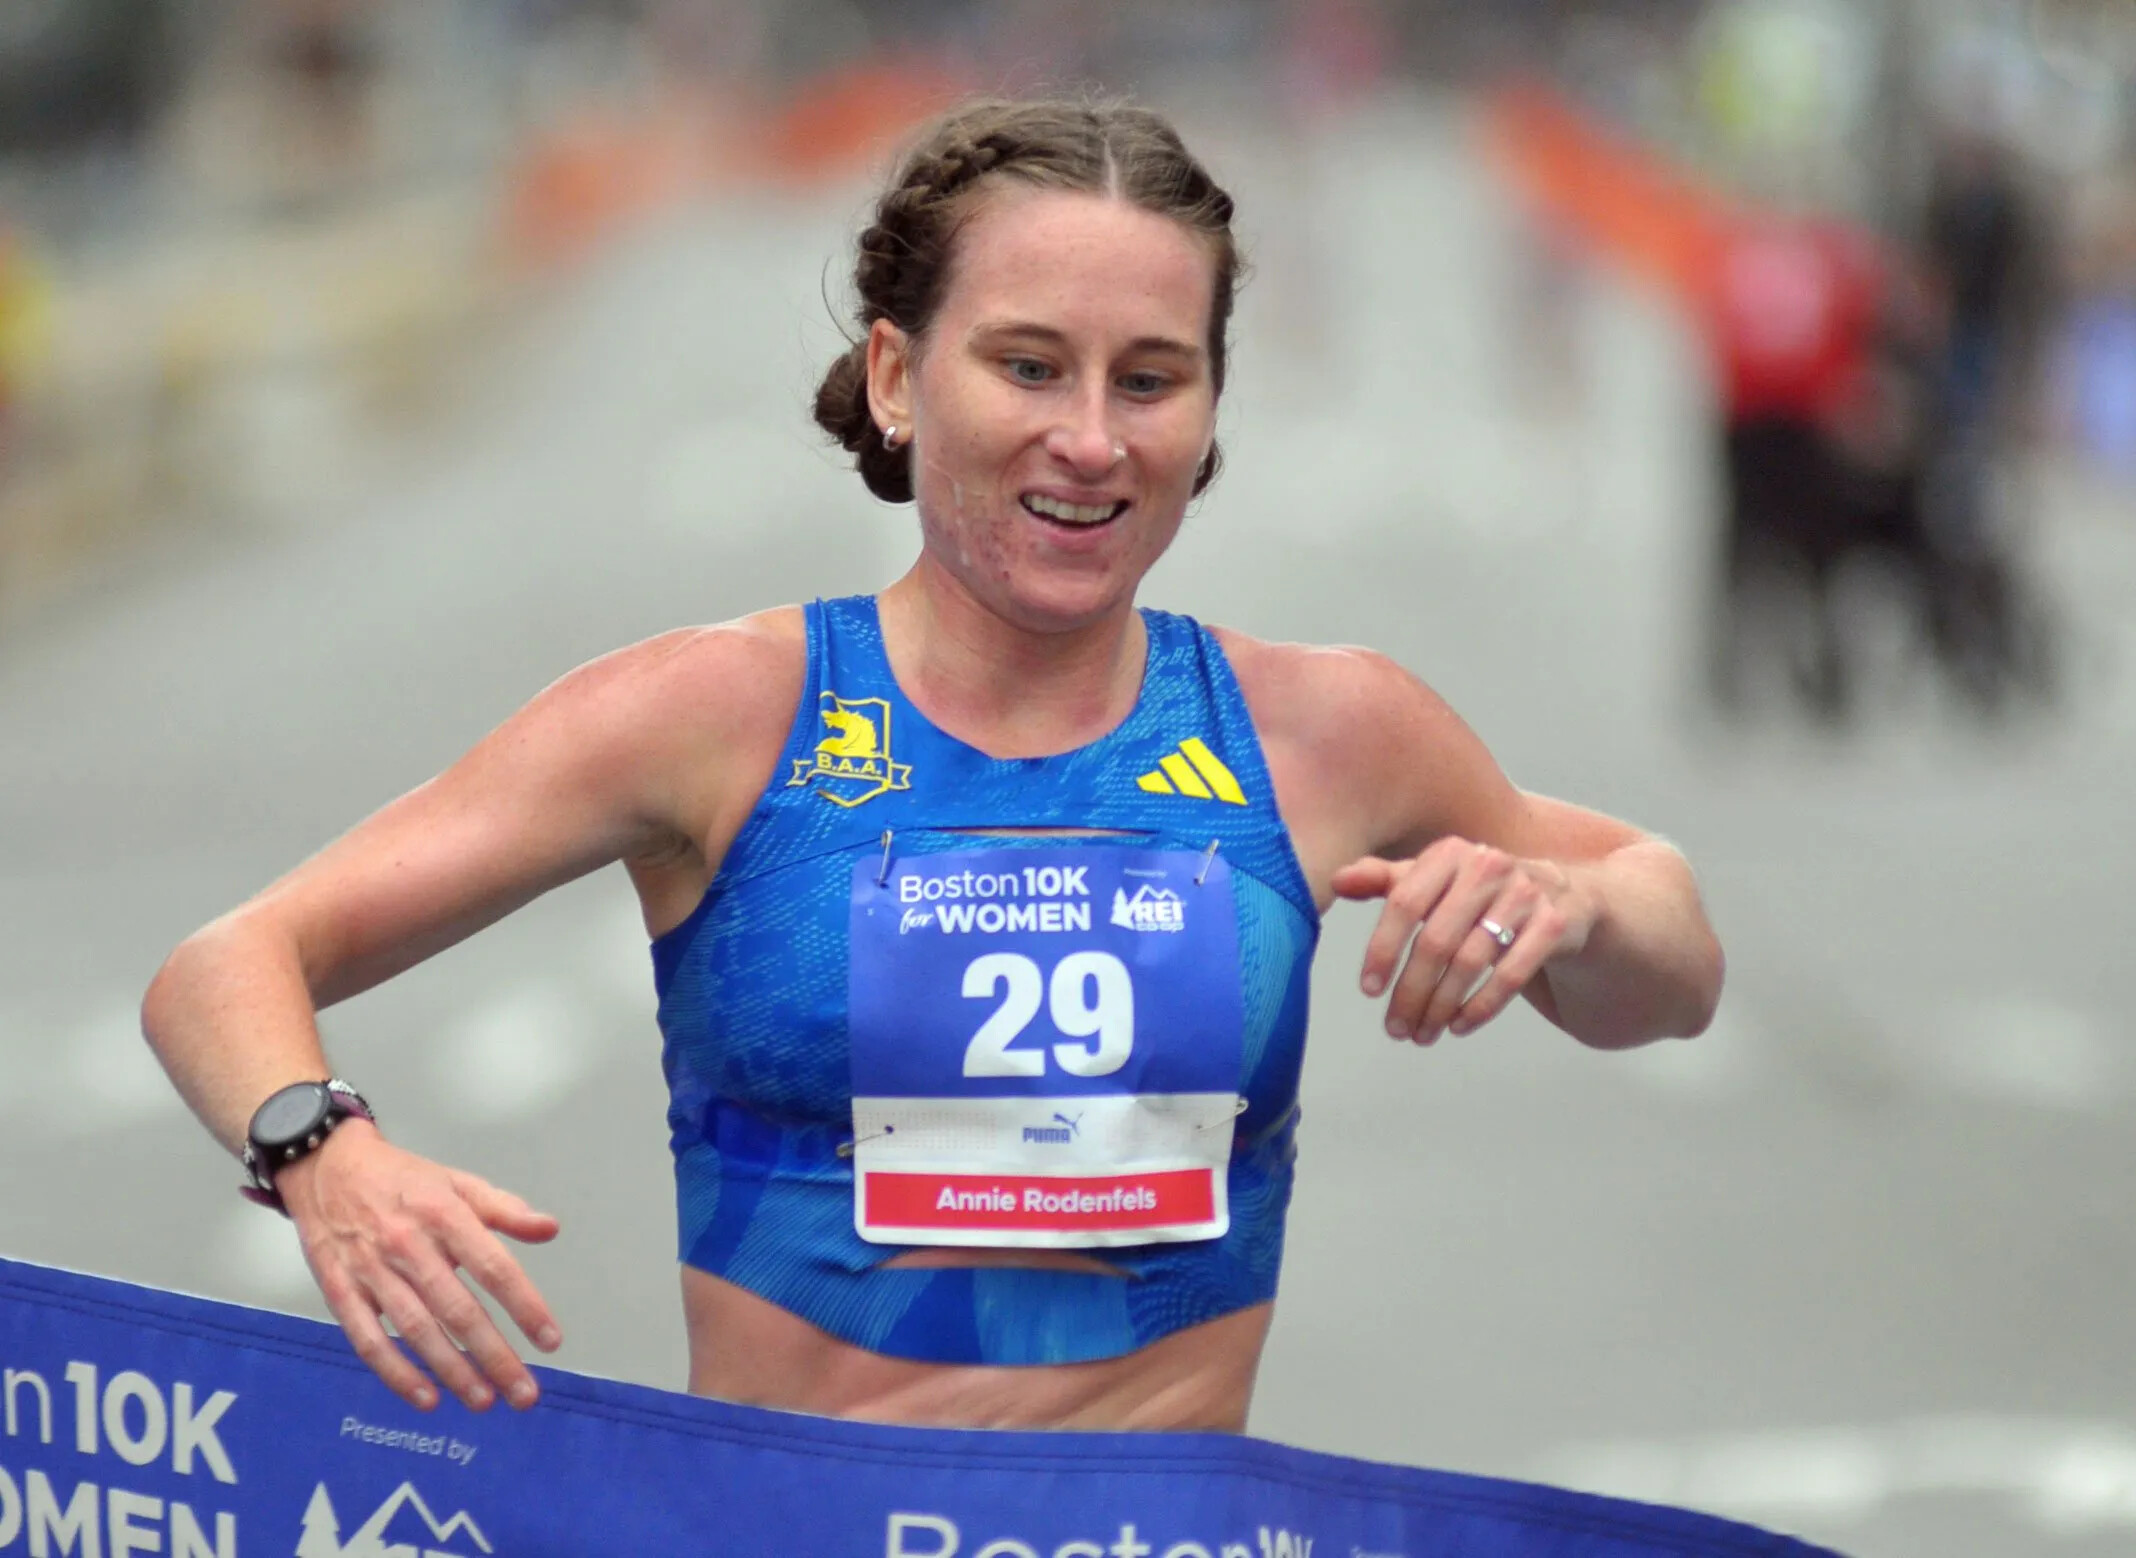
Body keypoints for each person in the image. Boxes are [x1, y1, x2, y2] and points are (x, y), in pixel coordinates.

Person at [141, 97, 1723, 1435]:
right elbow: (227, 965)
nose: (1091, 438)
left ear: (1209, 406)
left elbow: (1667, 961)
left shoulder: (1324, 727)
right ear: (899, 379)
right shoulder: (720, 713)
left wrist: (1571, 911)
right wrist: (322, 1154)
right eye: (1028, 366)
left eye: (1149, 378)